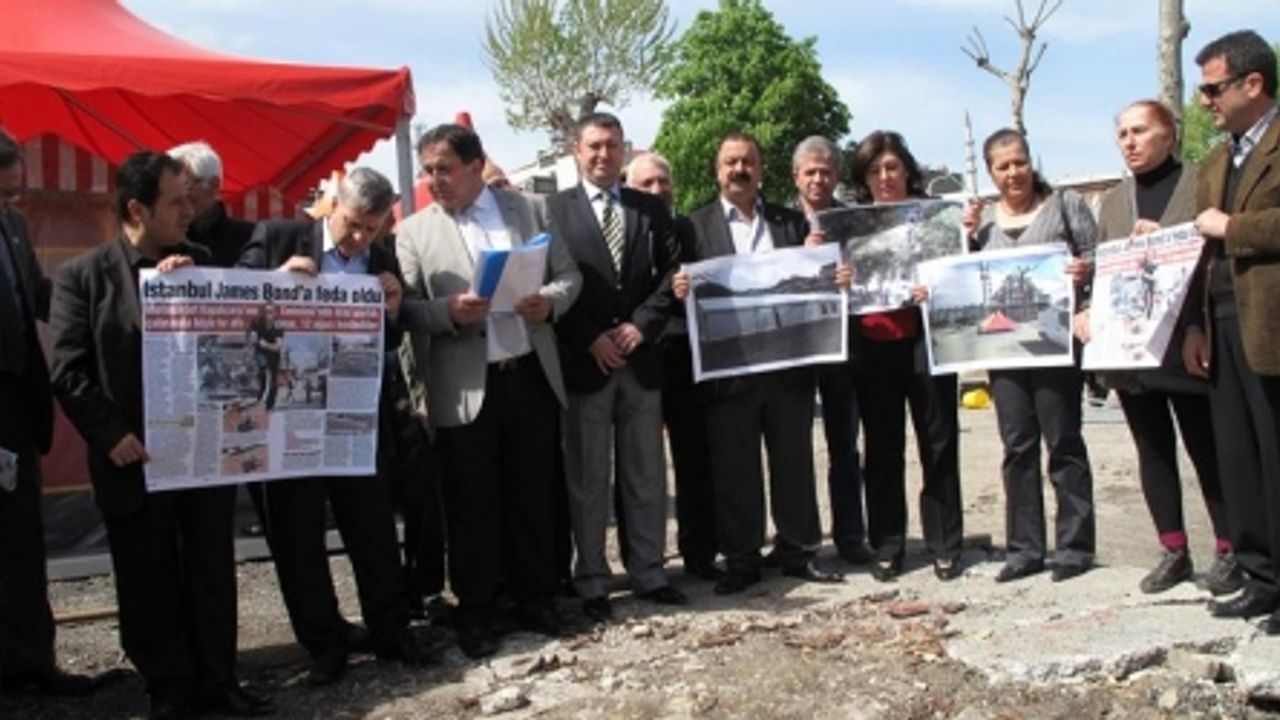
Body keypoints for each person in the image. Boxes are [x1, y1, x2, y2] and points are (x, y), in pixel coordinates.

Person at [49, 151, 274, 718]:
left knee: (211, 569)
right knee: (147, 577)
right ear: (137, 210)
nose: (189, 210)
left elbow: (242, 338)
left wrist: (193, 288)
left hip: (200, 455)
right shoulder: (83, 278)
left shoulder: (200, 263)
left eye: (190, 198)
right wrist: (111, 435)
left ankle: (220, 680)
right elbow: (69, 371)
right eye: (176, 202)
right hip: (134, 459)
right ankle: (169, 690)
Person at [237, 168, 430, 684]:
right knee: (298, 536)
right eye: (351, 224)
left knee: (373, 528)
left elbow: (389, 340)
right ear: (332, 206)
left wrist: (392, 310)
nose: (359, 238)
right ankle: (324, 645)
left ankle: (391, 631)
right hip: (288, 416)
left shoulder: (382, 259)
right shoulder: (277, 238)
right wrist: (275, 281)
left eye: (371, 228)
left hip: (354, 416)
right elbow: (230, 305)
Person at [396, 124, 581, 658]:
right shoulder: (413, 232)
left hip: (527, 374)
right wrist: (448, 313)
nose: (435, 180)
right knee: (470, 502)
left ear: (477, 167)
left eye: (445, 169)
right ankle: (477, 609)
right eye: (428, 171)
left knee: (532, 493)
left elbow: (569, 275)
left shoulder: (531, 210)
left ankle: (535, 599)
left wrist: (549, 301)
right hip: (463, 386)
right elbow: (406, 309)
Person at [671, 131, 846, 595]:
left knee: (794, 463)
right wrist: (679, 289)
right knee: (735, 469)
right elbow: (676, 291)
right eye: (730, 162)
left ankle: (799, 551)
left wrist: (832, 273)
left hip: (788, 369)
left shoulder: (790, 223)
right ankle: (742, 559)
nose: (739, 170)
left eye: (747, 161)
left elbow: (815, 279)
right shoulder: (693, 227)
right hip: (728, 372)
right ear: (717, 171)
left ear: (761, 170)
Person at [1081, 100, 1239, 595]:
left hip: (1186, 340)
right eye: (1122, 133)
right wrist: (1088, 310)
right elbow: (1104, 269)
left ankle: (1230, 548)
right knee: (1151, 447)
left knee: (1206, 446)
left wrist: (1197, 325)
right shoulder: (1113, 202)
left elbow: (1217, 258)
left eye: (1140, 131)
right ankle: (1173, 550)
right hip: (1131, 347)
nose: (1129, 142)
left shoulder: (1201, 184)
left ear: (1169, 134)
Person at [549, 114, 685, 623]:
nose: (603, 154)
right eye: (594, 146)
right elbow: (551, 282)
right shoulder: (553, 211)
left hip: (640, 360)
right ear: (576, 150)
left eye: (612, 145)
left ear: (624, 150)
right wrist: (590, 338)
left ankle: (649, 571)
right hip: (587, 362)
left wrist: (640, 327)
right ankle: (591, 579)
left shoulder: (649, 208)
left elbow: (671, 275)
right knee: (588, 479)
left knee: (646, 473)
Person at [963, 128, 1097, 583]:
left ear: (1030, 160)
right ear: (991, 172)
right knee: (1017, 446)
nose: (1013, 172)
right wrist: (965, 239)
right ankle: (1024, 549)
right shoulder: (983, 224)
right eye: (1003, 166)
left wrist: (1085, 277)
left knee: (1063, 442)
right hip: (1004, 351)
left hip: (1055, 345)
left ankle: (1075, 548)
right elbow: (965, 280)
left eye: (1019, 161)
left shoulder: (1065, 204)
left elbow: (1097, 256)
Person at [0, 131, 104, 698]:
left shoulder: (13, 227)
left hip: (17, 411)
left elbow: (38, 293)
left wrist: (91, 310)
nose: (11, 202)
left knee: (21, 540)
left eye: (14, 193)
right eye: (2, 193)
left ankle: (31, 662)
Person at [1183, 30, 1280, 629]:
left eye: (1213, 88)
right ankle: (1258, 578)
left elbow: (1223, 229)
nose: (1205, 102)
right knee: (1238, 457)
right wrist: (1195, 326)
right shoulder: (1217, 160)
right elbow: (1200, 249)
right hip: (1219, 324)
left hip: (1270, 324)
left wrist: (1234, 227)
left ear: (1253, 83)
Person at [847, 131, 964, 581]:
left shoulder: (936, 218)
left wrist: (937, 283)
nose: (885, 177)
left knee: (939, 443)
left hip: (928, 341)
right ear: (864, 178)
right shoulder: (852, 225)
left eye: (892, 167)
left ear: (907, 171)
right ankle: (888, 543)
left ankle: (945, 543)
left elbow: (959, 270)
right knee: (882, 448)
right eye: (875, 170)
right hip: (874, 343)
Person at [626, 151, 722, 581]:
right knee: (637, 467)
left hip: (684, 357)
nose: (656, 190)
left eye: (663, 181)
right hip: (634, 357)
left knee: (695, 458)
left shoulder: (688, 229)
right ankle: (641, 560)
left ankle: (699, 553)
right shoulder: (621, 231)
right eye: (646, 183)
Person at [790, 135, 873, 568]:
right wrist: (800, 259)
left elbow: (875, 275)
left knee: (845, 446)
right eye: (811, 172)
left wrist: (851, 277)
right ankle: (798, 540)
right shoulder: (779, 223)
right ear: (796, 176)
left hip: (844, 348)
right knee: (793, 449)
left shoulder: (853, 221)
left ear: (837, 175)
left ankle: (851, 536)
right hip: (796, 349)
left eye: (825, 172)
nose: (818, 179)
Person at [167, 141, 256, 269]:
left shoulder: (251, 240)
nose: (177, 197)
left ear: (214, 185)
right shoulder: (163, 241)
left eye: (185, 186)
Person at [246, 303, 283, 410]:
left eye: (271, 311)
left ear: (275, 313)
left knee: (273, 381)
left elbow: (278, 346)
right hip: (261, 353)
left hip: (274, 357)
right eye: (266, 311)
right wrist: (256, 341)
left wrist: (266, 345)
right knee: (264, 376)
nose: (268, 314)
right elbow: (252, 338)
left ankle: (269, 405)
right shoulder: (257, 323)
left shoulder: (278, 326)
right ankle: (260, 401)